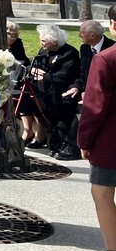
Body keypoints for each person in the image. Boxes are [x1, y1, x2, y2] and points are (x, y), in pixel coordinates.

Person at [77, 4, 116, 251]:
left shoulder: (105, 59)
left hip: (110, 142)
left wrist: (84, 141)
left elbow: (94, 107)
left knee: (102, 194)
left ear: (113, 24)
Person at [59, 19, 116, 161]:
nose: (79, 35)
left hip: (99, 93)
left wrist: (88, 93)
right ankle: (60, 140)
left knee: (82, 109)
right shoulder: (85, 49)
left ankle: (73, 146)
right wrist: (76, 87)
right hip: (86, 89)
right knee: (64, 100)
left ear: (92, 35)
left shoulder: (110, 50)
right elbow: (83, 74)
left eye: (82, 33)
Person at [27, 23, 80, 154]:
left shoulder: (69, 52)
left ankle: (60, 143)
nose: (41, 43)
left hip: (62, 91)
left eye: (44, 41)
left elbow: (65, 76)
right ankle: (42, 137)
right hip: (43, 91)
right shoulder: (43, 51)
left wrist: (44, 76)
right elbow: (35, 66)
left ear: (54, 40)